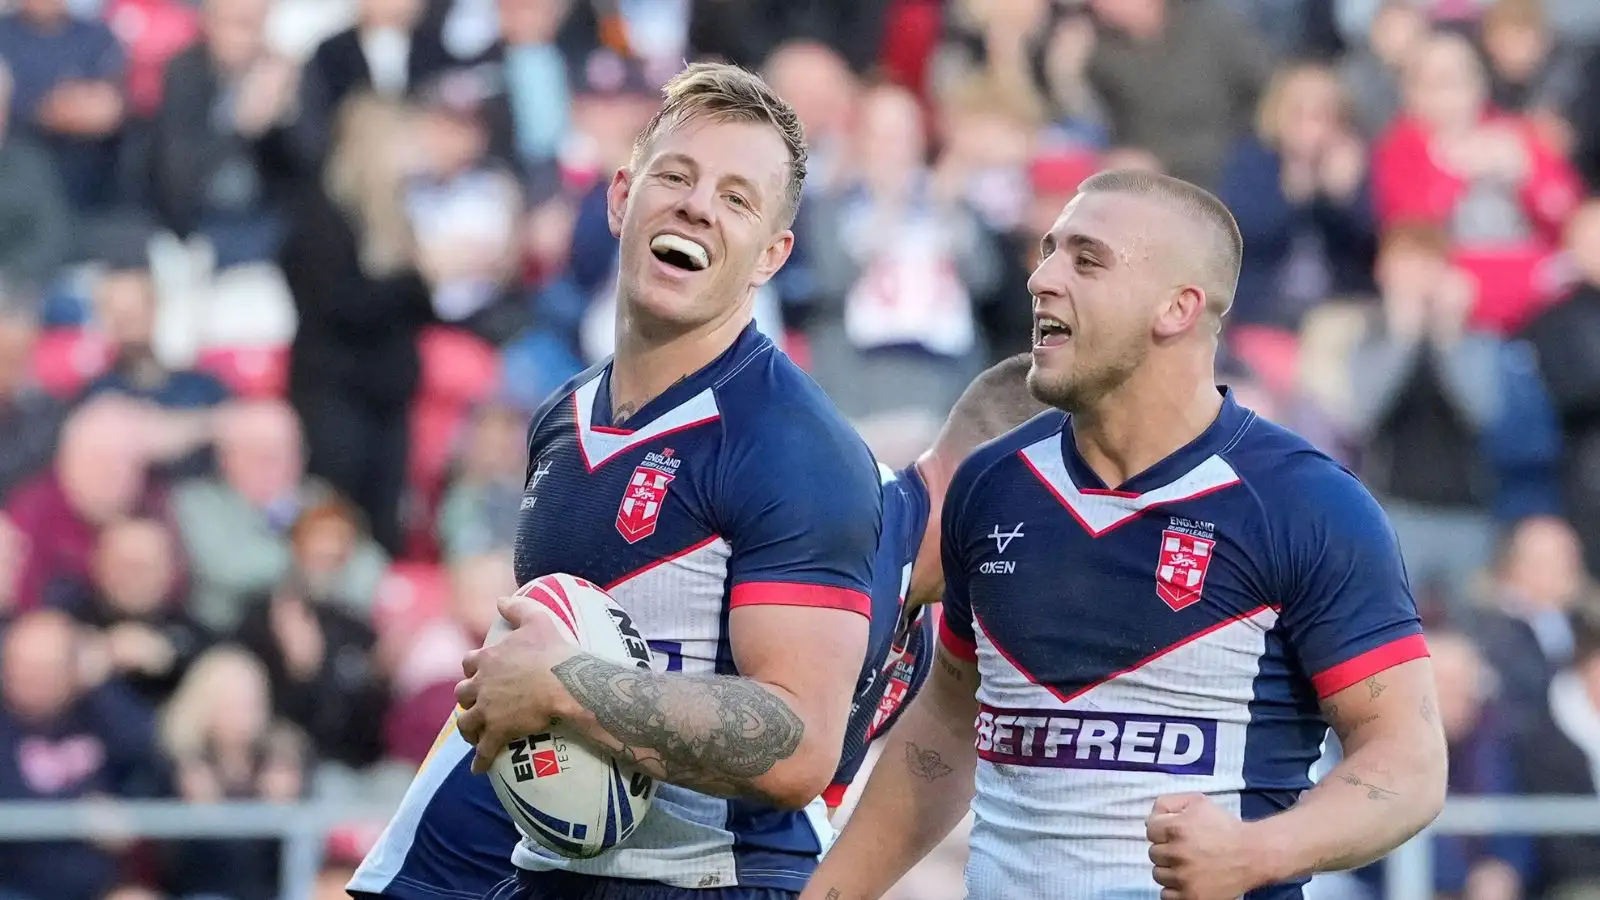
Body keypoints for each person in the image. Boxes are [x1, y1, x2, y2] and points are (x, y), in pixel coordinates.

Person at [799, 169, 1449, 900]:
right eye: (1047, 251)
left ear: (1178, 307)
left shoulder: (1306, 504)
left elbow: (1408, 761)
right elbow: (945, 728)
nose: (1041, 277)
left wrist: (1259, 852)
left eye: (1086, 259)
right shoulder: (993, 484)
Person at [348, 356, 1047, 900]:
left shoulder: (915, 629)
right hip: (468, 862)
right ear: (996, 486)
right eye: (1056, 531)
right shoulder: (827, 524)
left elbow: (791, 828)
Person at [445, 61, 883, 900]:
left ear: (773, 254)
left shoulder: (795, 445)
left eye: (737, 198)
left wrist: (569, 689)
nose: (696, 205)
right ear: (620, 199)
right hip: (548, 875)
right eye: (675, 176)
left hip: (711, 883)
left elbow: (796, 746)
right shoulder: (560, 420)